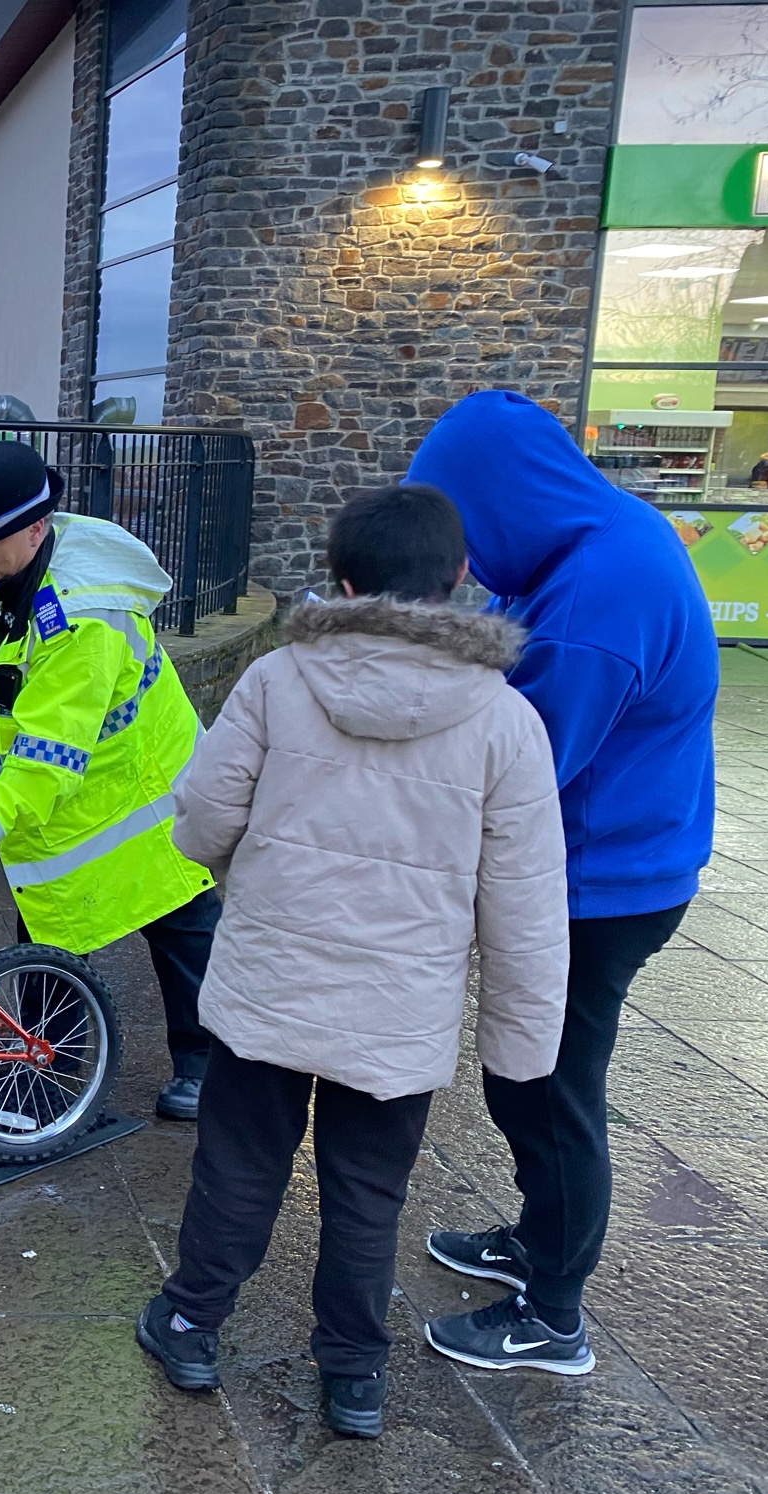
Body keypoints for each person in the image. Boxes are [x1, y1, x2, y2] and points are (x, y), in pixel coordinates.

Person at [133, 485, 568, 1438]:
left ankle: (191, 1323)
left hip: (268, 993)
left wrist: (237, 860)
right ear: (459, 579)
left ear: (340, 579)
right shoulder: (506, 723)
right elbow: (526, 906)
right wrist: (522, 1047)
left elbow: (202, 822)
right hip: (398, 1012)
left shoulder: (277, 682)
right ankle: (356, 1379)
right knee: (369, 1194)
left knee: (238, 1169)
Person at [407, 390, 717, 1372]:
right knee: (522, 1077)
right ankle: (538, 1242)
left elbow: (520, 766)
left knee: (548, 1089)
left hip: (602, 883)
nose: (462, 556)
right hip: (593, 865)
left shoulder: (598, 594)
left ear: (500, 497)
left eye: (461, 522)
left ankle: (552, 1315)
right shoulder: (580, 544)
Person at [0, 441, 220, 1120]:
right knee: (47, 926)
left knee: (179, 918)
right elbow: (4, 679)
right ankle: (49, 1065)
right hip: (76, 790)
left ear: (35, 528)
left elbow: (50, 746)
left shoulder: (83, 617)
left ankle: (208, 1070)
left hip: (142, 787)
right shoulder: (2, 568)